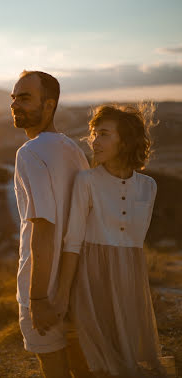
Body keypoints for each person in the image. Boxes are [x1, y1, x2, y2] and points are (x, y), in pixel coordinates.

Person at [54, 104, 167, 377]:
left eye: (103, 134)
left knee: (127, 356)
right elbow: (73, 242)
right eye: (93, 133)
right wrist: (63, 295)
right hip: (91, 279)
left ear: (125, 140)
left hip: (130, 278)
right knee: (98, 361)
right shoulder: (86, 181)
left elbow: (133, 243)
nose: (94, 140)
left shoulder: (149, 187)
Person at [11, 70, 90, 378]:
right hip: (77, 284)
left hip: (45, 287)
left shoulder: (29, 153)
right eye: (14, 98)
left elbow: (44, 226)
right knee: (83, 366)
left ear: (49, 105)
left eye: (26, 98)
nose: (16, 104)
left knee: (54, 368)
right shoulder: (73, 149)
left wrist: (39, 298)